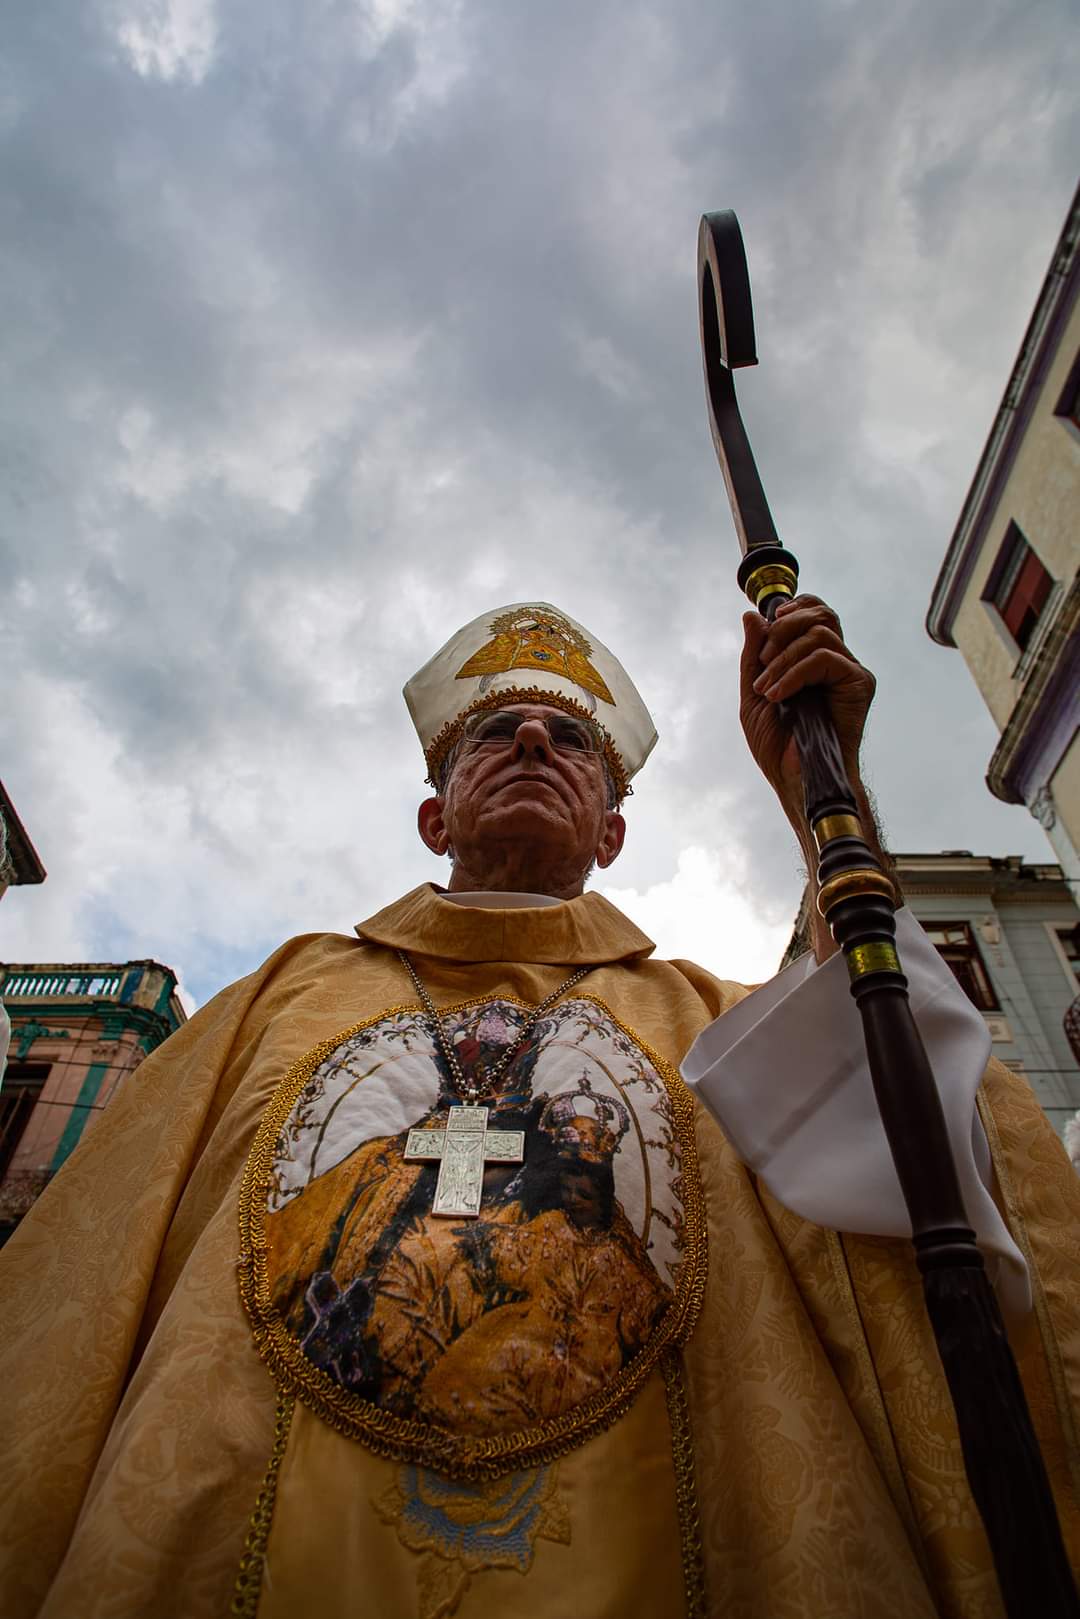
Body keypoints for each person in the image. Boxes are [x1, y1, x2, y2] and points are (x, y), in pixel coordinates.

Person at [1, 599, 1077, 1619]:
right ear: (436, 814)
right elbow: (87, 1286)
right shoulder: (280, 997)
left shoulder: (710, 1021)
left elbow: (911, 1131)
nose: (531, 740)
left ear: (611, 832)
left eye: (570, 737)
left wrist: (821, 800)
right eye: (497, 732)